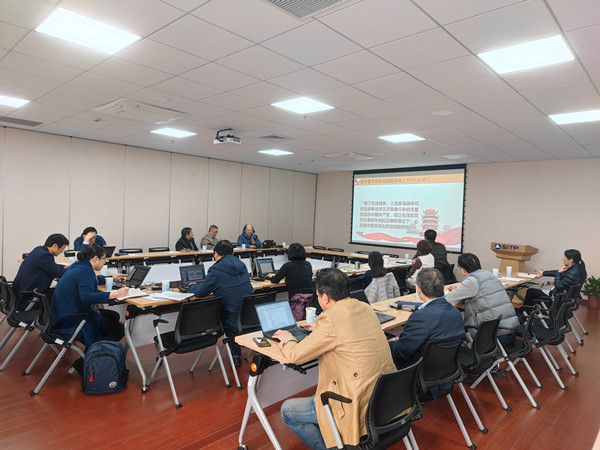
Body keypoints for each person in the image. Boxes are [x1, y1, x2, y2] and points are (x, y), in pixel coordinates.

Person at [274, 268, 395, 450]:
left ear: (325, 298)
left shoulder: (330, 319)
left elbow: (295, 355)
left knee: (287, 411)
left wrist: (287, 338)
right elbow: (348, 330)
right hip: (383, 395)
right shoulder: (364, 307)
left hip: (352, 401)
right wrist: (320, 330)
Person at [188, 240, 253, 366]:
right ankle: (236, 352)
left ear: (216, 254)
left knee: (223, 310)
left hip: (230, 320)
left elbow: (201, 292)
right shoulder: (242, 265)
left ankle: (236, 353)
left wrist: (191, 286)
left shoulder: (215, 270)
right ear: (233, 253)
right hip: (249, 317)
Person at [51, 245, 128, 349]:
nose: (105, 262)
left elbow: (91, 281)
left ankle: (95, 351)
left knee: (113, 316)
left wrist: (112, 278)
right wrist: (114, 294)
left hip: (62, 314)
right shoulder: (86, 271)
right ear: (95, 258)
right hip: (72, 320)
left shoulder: (79, 266)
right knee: (118, 329)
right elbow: (87, 297)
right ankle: (93, 353)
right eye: (104, 259)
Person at [389, 268, 465, 369]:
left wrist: (391, 343)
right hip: (447, 368)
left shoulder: (420, 317)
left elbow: (402, 354)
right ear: (442, 287)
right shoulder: (455, 312)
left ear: (418, 289)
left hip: (420, 369)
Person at [445, 253, 519, 345]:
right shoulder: (489, 275)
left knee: (454, 320)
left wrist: (456, 291)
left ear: (463, 269)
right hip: (510, 330)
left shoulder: (472, 280)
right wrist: (458, 289)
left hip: (495, 335)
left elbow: (448, 299)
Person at [13, 234, 70, 310]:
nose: (61, 251)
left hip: (22, 293)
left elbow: (51, 266)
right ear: (55, 245)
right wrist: (75, 269)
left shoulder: (39, 250)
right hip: (29, 298)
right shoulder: (44, 255)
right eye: (62, 249)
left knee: (59, 293)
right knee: (65, 296)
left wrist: (66, 266)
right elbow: (59, 273)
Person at [268, 243, 313, 319]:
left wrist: (271, 276)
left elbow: (275, 280)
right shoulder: (308, 264)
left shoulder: (288, 266)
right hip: (310, 297)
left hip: (296, 298)